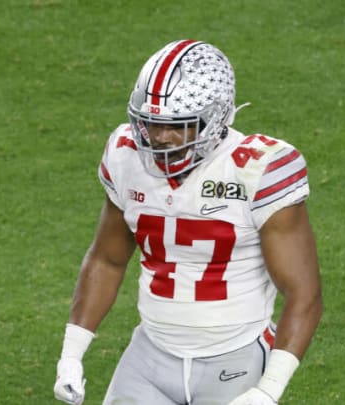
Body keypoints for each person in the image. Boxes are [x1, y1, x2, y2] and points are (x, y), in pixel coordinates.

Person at [53, 39, 323, 405]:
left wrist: (267, 391)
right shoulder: (125, 155)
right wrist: (71, 355)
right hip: (149, 356)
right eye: (150, 124)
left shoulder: (258, 169)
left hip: (236, 358)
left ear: (216, 118)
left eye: (178, 126)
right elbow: (107, 258)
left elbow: (304, 293)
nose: (160, 139)